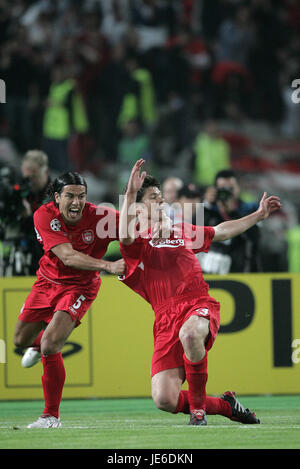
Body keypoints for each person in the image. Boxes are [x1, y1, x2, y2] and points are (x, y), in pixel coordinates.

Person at [118, 159, 281, 426]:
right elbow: (124, 237)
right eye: (153, 198)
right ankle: (226, 406)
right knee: (164, 399)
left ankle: (198, 412)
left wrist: (258, 215)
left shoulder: (180, 229)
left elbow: (219, 231)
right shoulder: (135, 242)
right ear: (138, 206)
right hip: (164, 318)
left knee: (191, 334)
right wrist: (128, 194)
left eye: (161, 197)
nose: (161, 202)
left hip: (196, 302)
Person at [13, 171, 125, 428]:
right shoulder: (44, 214)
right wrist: (108, 266)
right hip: (46, 282)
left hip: (80, 286)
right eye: (70, 196)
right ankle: (37, 345)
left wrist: (162, 230)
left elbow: (136, 231)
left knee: (51, 345)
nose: (77, 202)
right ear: (56, 197)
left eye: (82, 196)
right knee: (21, 340)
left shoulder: (101, 217)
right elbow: (68, 257)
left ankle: (50, 417)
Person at [201, 169, 261, 274]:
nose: (227, 192)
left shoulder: (250, 209)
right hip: (210, 272)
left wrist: (232, 213)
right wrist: (205, 205)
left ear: (238, 188)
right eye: (222, 188)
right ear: (215, 190)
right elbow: (193, 236)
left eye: (231, 188)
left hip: (242, 271)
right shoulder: (208, 211)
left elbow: (254, 239)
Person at [21, 149, 51, 274]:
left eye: (34, 176)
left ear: (46, 172)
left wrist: (29, 217)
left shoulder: (58, 195)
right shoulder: (22, 192)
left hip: (49, 260)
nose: (30, 182)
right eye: (27, 177)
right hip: (24, 253)